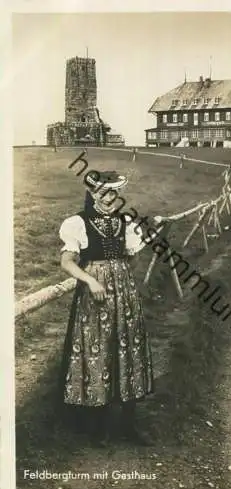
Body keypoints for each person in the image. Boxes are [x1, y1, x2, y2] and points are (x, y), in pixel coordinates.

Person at [58, 170, 155, 447]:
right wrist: (90, 280)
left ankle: (128, 425)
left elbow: (131, 256)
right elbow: (67, 262)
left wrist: (121, 276)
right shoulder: (78, 223)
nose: (110, 198)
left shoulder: (125, 222)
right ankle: (97, 429)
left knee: (129, 350)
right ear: (92, 195)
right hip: (95, 297)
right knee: (97, 350)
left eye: (113, 193)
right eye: (103, 193)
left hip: (124, 294)